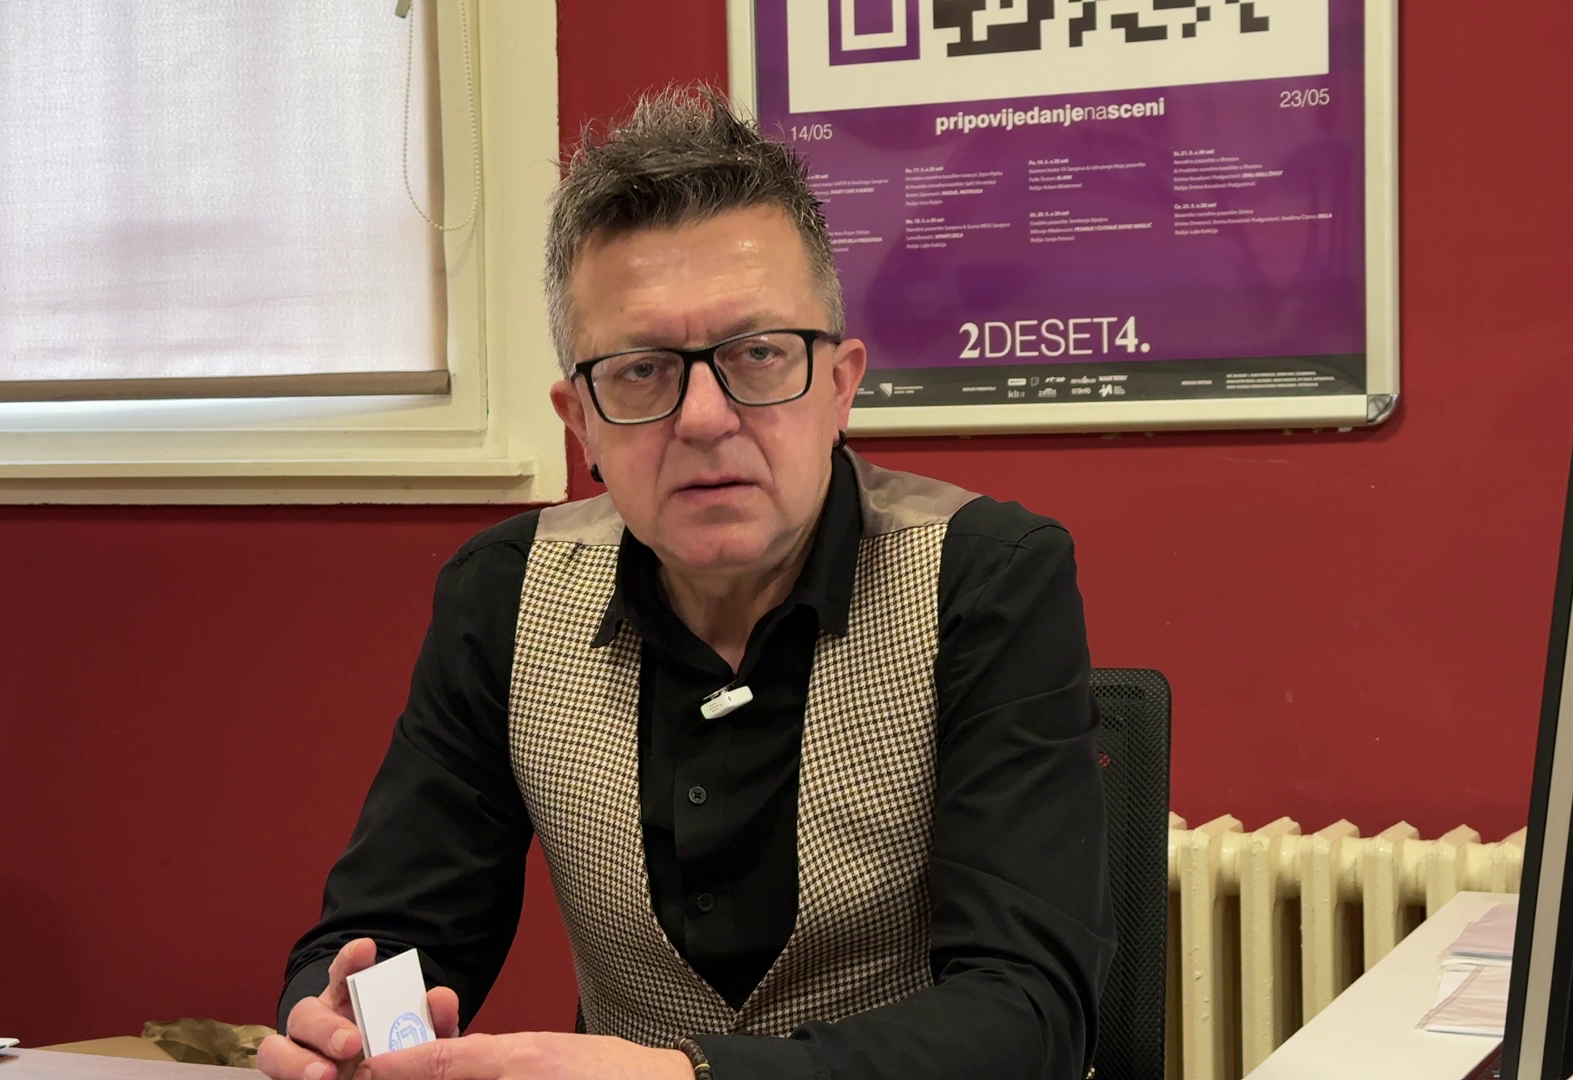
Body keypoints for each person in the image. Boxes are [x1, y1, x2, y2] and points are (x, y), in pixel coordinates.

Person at [255, 86, 1112, 1080]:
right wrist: (353, 1020)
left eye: (759, 354)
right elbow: (395, 932)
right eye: (642, 370)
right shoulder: (502, 598)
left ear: (841, 387)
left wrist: (683, 1077)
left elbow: (1030, 1012)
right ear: (579, 421)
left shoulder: (988, 576)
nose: (704, 417)